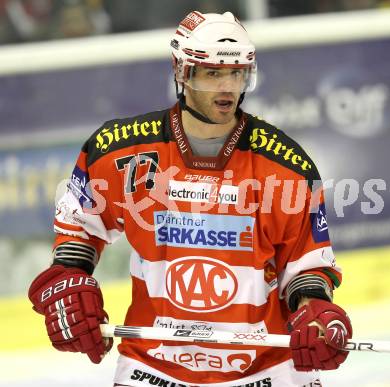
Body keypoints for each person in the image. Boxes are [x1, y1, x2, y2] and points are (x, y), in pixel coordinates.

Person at [28, 10, 352, 387]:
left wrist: (315, 308)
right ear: (182, 72)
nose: (228, 87)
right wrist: (70, 275)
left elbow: (307, 266)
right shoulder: (120, 151)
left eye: (237, 73)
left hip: (266, 367)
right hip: (152, 367)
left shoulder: (285, 166)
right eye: (213, 73)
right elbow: (80, 227)